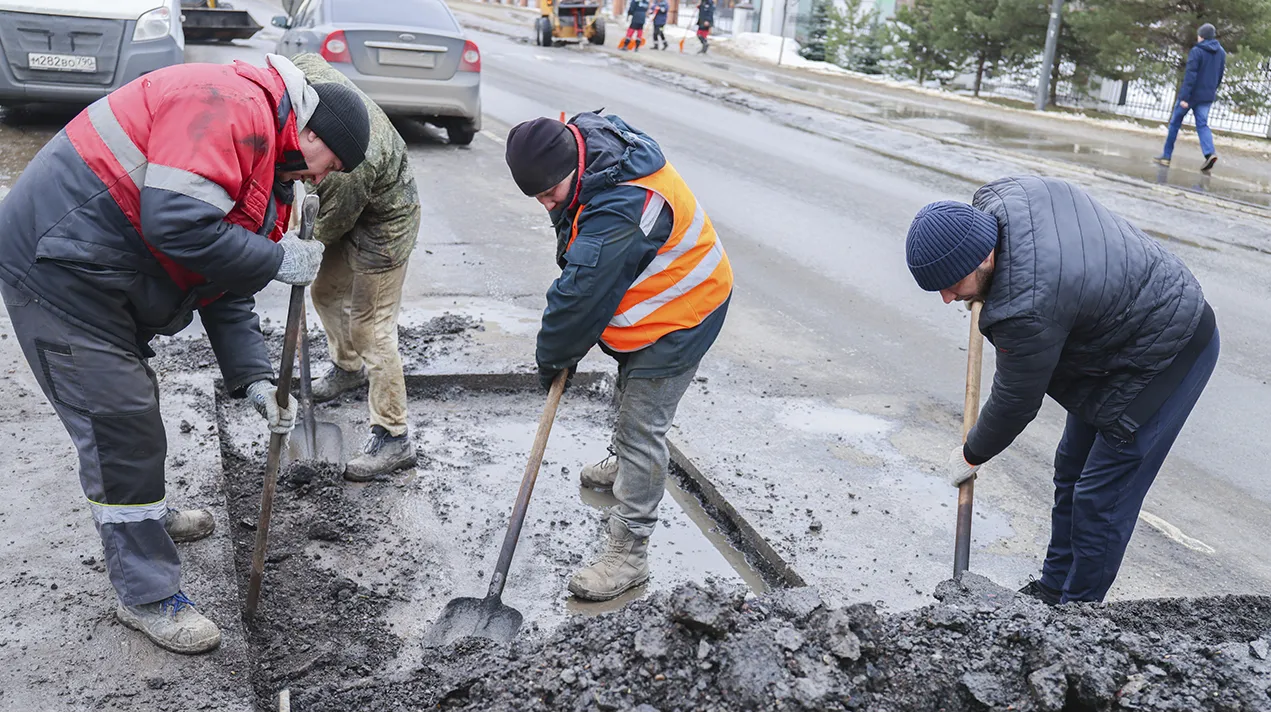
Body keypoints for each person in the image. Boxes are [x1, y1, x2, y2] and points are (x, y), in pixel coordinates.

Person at [0, 54, 370, 654]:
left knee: (133, 412)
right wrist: (278, 261)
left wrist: (253, 378)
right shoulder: (231, 104)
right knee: (121, 422)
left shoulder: (267, 169)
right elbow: (177, 223)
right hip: (56, 267)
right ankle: (145, 594)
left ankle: (143, 511)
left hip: (102, 269)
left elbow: (221, 282)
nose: (323, 180)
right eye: (334, 165)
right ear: (312, 136)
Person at [905, 175, 1218, 606]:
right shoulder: (1002, 199)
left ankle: (1078, 619)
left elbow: (1016, 401)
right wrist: (979, 288)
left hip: (1167, 352)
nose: (946, 298)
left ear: (982, 255)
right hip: (1115, 342)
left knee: (1099, 498)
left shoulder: (1026, 306)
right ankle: (1054, 589)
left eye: (951, 284)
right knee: (1070, 467)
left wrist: (970, 454)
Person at [503, 113, 733, 601]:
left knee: (641, 426)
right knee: (628, 393)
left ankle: (629, 553)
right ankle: (625, 463)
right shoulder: (586, 153)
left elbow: (581, 296)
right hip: (651, 298)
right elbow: (583, 265)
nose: (546, 205)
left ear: (571, 166)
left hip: (685, 312)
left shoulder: (624, 205)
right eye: (538, 197)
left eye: (549, 194)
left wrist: (554, 359)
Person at [290, 53, 421, 482]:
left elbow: (322, 231)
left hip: (386, 222)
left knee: (371, 326)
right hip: (354, 201)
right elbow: (305, 58)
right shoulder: (305, 80)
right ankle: (347, 369)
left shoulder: (345, 173)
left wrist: (292, 249)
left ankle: (393, 434)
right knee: (325, 293)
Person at [1154, 23, 1226, 172]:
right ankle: (1209, 153)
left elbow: (1190, 76)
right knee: (1202, 124)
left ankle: (1166, 157)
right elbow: (1219, 75)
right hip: (1206, 96)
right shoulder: (1221, 53)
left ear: (1202, 36)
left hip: (1191, 95)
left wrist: (1185, 97)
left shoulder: (1197, 51)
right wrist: (1212, 90)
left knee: (1175, 123)